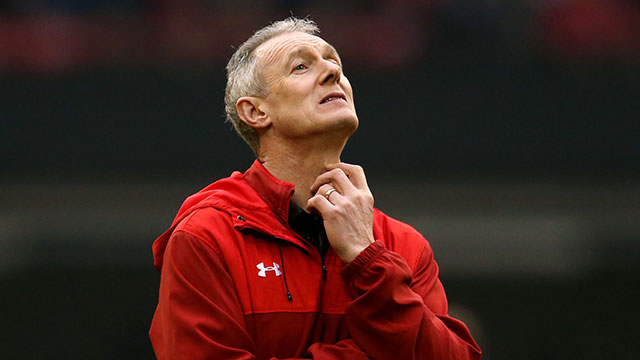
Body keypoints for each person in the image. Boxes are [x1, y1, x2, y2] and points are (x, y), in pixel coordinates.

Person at [149, 17, 482, 360]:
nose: (332, 73)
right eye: (301, 66)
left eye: (335, 63)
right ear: (255, 111)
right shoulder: (207, 236)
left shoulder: (402, 246)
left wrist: (366, 258)